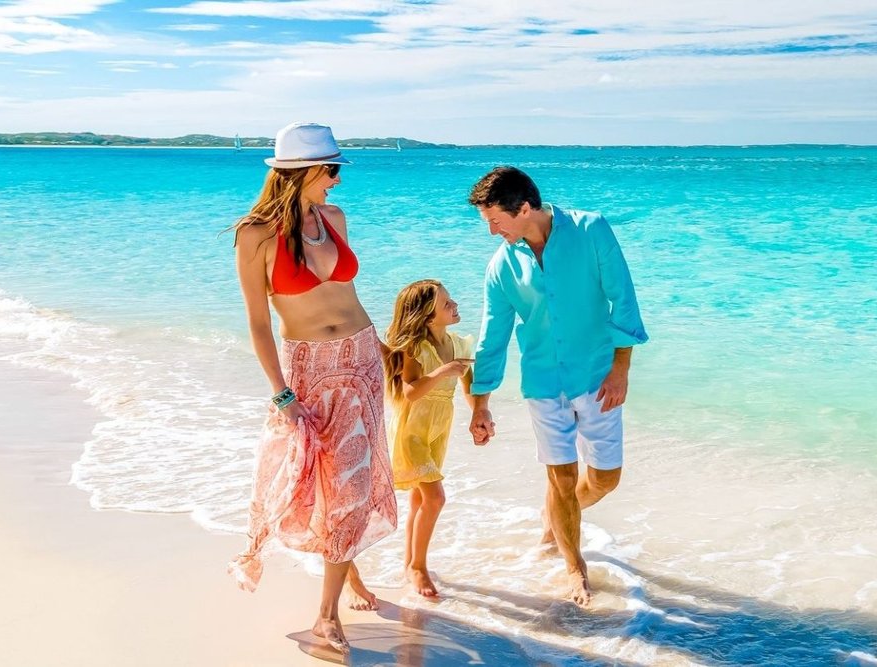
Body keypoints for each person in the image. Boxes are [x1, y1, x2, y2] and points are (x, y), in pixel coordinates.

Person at [227, 122, 397, 653]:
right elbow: (258, 323)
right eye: (331, 170)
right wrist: (282, 395)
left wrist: (385, 352)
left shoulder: (334, 219)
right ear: (302, 171)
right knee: (310, 484)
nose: (337, 180)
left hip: (361, 362)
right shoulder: (255, 235)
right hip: (309, 370)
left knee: (352, 486)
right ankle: (343, 582)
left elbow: (350, 295)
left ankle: (327, 616)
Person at [465, 166, 648, 606]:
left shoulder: (591, 230)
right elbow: (493, 336)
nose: (491, 231)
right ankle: (574, 568)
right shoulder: (502, 266)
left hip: (597, 376)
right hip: (543, 382)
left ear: (525, 208)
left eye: (496, 221)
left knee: (604, 480)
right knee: (562, 477)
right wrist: (480, 403)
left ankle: (556, 518)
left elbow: (622, 298)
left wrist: (621, 368)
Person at [380, 279, 475, 600]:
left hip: (438, 431)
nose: (455, 305)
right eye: (446, 303)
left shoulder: (459, 344)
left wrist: (479, 414)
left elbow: (469, 387)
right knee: (435, 498)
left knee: (420, 500)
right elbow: (410, 391)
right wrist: (441, 372)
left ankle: (409, 562)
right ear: (428, 317)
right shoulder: (416, 349)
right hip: (413, 432)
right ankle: (418, 566)